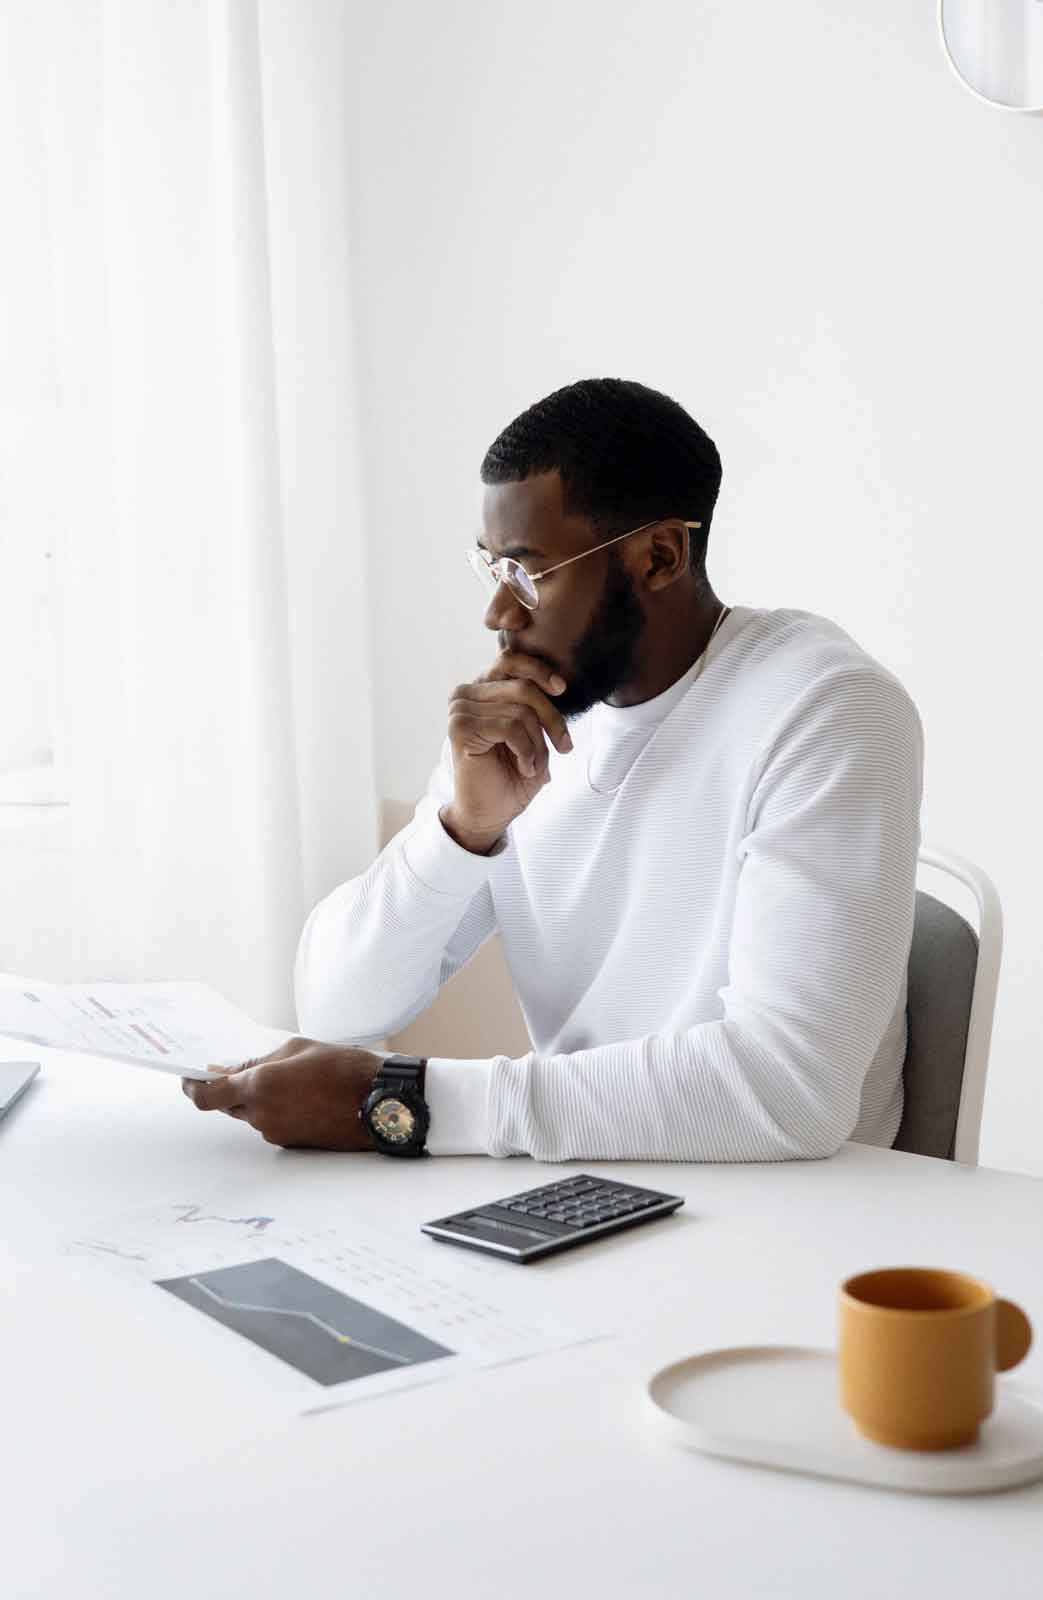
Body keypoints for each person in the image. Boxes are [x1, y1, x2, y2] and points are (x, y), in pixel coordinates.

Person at [184, 377, 923, 1163]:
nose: (498, 616)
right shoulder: (529, 716)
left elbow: (790, 1091)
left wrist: (399, 1099)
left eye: (528, 573)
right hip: (586, 1185)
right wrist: (461, 832)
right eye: (491, 571)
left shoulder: (824, 708)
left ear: (659, 556)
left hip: (793, 1218)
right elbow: (334, 1006)